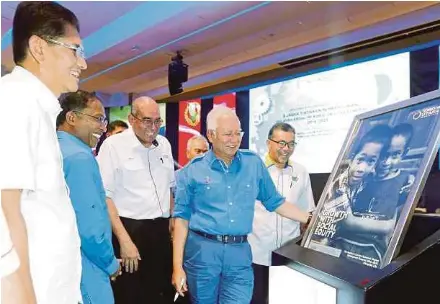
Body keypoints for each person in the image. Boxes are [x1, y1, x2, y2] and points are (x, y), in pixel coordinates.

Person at [172, 106, 311, 304]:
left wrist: (310, 219)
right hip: (203, 253)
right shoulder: (192, 171)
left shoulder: (253, 164)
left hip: (240, 252)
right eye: (228, 134)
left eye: (238, 133)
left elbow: (275, 202)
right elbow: (181, 219)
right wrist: (177, 267)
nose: (234, 139)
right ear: (211, 135)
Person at [0, 2, 87, 303]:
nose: (83, 63)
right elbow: (5, 210)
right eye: (74, 49)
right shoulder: (14, 100)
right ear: (38, 47)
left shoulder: (37, 108)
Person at [97, 96, 175, 304]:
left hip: (160, 232)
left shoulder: (164, 145)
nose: (153, 127)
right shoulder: (113, 146)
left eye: (157, 121)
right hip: (130, 230)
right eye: (147, 120)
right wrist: (124, 241)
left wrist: (173, 222)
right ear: (132, 119)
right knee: (130, 295)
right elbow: (105, 196)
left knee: (161, 294)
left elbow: (169, 187)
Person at [56, 91, 122, 303]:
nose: (103, 127)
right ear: (72, 118)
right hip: (86, 265)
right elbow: (89, 225)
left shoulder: (54, 148)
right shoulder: (79, 158)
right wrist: (110, 262)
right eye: (97, 118)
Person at [248, 122, 315, 304]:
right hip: (256, 255)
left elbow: (307, 211)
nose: (286, 149)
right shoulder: (253, 170)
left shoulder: (300, 172)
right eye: (281, 143)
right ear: (269, 143)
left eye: (291, 144)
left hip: (288, 256)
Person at [320, 124, 395, 268]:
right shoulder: (340, 183)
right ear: (353, 158)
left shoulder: (370, 178)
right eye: (360, 160)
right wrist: (387, 227)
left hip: (346, 242)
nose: (362, 169)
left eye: (371, 161)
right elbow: (348, 222)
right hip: (326, 240)